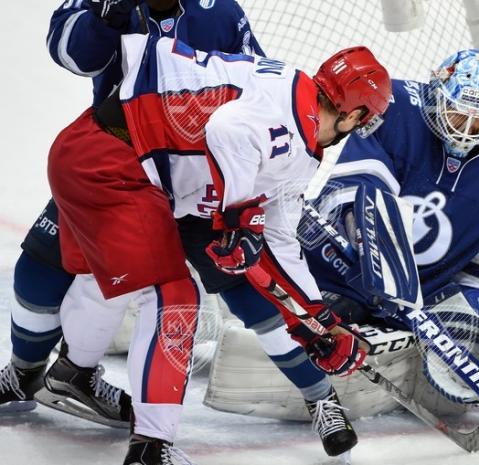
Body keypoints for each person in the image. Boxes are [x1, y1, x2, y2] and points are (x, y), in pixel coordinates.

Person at [46, 32, 391, 463]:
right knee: (173, 295)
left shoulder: (298, 117)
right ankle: (150, 449)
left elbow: (281, 240)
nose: (361, 128)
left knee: (106, 280)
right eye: (364, 120)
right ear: (355, 113)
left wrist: (321, 321)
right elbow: (227, 130)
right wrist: (239, 215)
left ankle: (69, 372)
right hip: (113, 161)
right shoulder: (288, 119)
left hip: (114, 159)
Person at [0, 0, 263, 423]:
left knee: (205, 289)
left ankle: (105, 393)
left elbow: (261, 88)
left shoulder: (220, 11)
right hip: (114, 163)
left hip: (192, 177)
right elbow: (69, 52)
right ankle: (24, 374)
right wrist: (107, 18)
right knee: (40, 268)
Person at [303, 49, 479, 406]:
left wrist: (461, 313)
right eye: (456, 113)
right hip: (340, 269)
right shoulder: (392, 106)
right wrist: (381, 269)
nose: (464, 128)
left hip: (424, 298)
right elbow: (356, 200)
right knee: (325, 317)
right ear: (436, 94)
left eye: (478, 121)